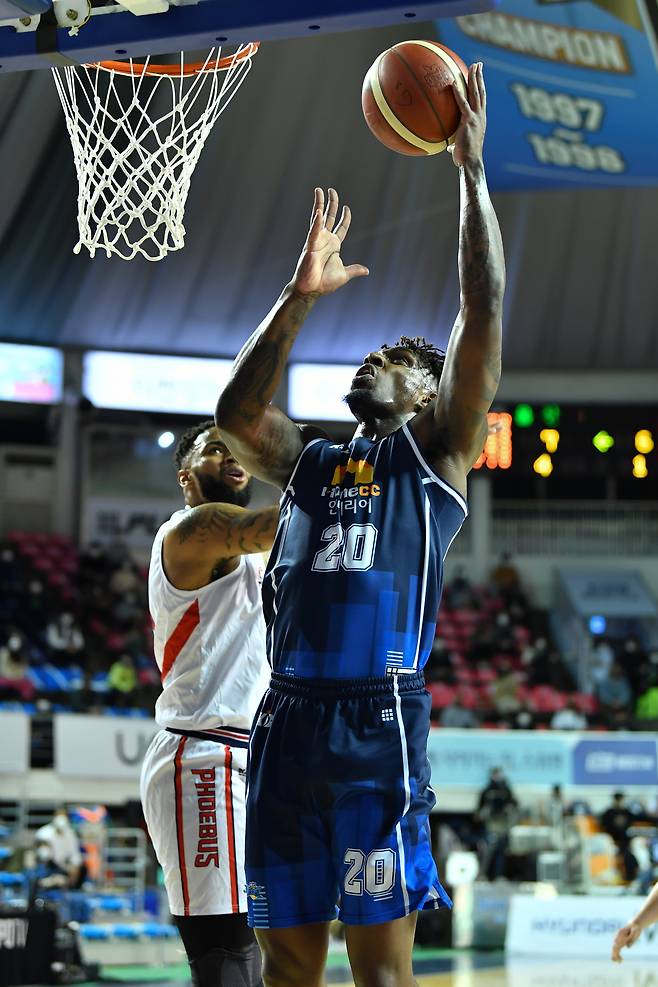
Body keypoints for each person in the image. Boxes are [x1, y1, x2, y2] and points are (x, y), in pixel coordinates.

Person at [216, 64, 504, 987]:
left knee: (380, 973)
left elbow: (483, 306)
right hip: (286, 717)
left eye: (398, 359)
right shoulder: (303, 458)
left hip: (378, 720)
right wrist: (298, 296)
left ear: (429, 395)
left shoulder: (434, 456)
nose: (374, 358)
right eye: (372, 350)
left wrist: (470, 174)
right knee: (285, 968)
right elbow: (234, 415)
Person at [140, 420, 280, 987]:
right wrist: (349, 475)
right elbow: (280, 524)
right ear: (185, 478)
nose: (230, 455)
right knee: (224, 951)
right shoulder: (191, 531)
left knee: (261, 945)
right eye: (214, 448)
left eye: (237, 448)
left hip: (254, 756)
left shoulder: (255, 559)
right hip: (204, 755)